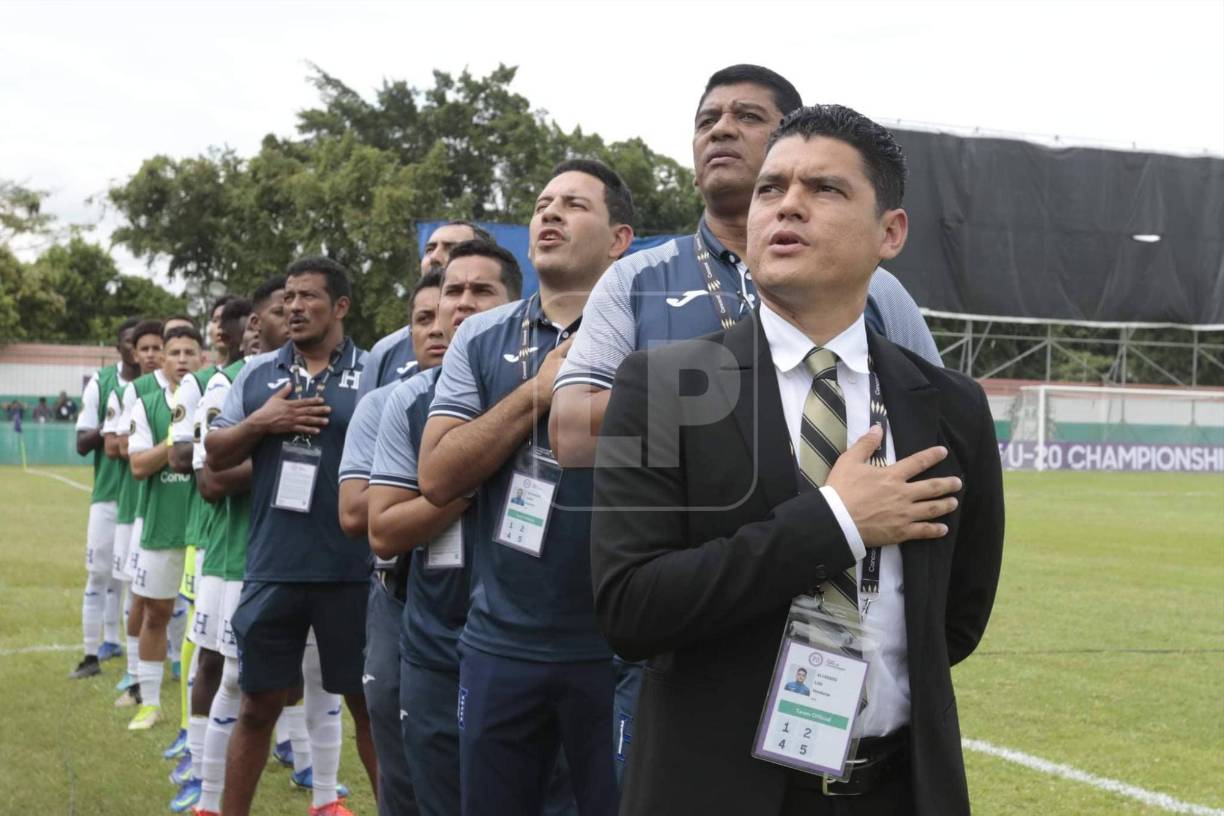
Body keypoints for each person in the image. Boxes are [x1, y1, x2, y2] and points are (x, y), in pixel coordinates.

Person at [590, 105, 1005, 816]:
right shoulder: (655, 385)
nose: (787, 205)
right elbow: (630, 606)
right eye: (770, 188)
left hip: (897, 789)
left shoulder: (951, 406)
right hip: (715, 791)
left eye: (825, 189)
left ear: (890, 233)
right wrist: (835, 520)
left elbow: (954, 620)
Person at [419, 160, 633, 816]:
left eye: (573, 204)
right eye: (543, 203)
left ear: (619, 239)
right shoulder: (482, 334)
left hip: (621, 646)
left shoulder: (651, 334)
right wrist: (538, 394)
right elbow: (438, 476)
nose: (550, 214)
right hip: (499, 641)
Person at [206, 257, 373, 816]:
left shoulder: (373, 372)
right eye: (289, 298)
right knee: (258, 704)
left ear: (341, 306)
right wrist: (263, 422)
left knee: (367, 705)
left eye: (309, 297)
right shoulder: (257, 375)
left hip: (352, 568)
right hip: (273, 565)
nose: (295, 307)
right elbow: (216, 456)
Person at [366, 239, 521, 816]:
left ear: (515, 304)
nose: (461, 305)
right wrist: (464, 478)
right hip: (436, 642)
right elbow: (381, 530)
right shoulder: (408, 401)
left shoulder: (558, 386)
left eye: (482, 291)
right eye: (453, 290)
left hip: (529, 645)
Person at [125, 324, 204, 730]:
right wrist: (175, 443)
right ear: (165, 361)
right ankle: (149, 701)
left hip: (203, 529)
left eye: (190, 352)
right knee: (155, 614)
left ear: (202, 358)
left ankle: (200, 719)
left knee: (202, 629)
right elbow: (137, 465)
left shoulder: (214, 396)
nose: (182, 360)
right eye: (175, 353)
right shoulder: (147, 402)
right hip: (160, 527)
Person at [69, 316, 142, 680]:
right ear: (120, 347)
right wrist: (113, 424)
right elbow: (82, 443)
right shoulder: (102, 383)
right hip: (109, 495)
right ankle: (90, 652)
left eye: (143, 343)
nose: (136, 349)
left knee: (134, 580)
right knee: (99, 575)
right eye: (130, 342)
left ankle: (129, 653)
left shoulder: (156, 387)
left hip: (144, 499)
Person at [358, 220, 493, 399]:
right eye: (429, 249)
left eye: (451, 249)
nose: (434, 257)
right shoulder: (384, 352)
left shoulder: (504, 341)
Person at [106, 318, 168, 705]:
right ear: (134, 353)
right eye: (144, 348)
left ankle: (169, 664)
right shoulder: (136, 392)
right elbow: (125, 448)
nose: (151, 355)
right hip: (143, 507)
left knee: (171, 601)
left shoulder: (190, 386)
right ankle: (134, 677)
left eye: (157, 347)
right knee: (142, 595)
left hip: (184, 507)